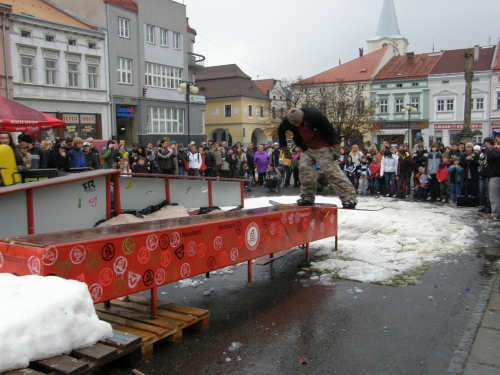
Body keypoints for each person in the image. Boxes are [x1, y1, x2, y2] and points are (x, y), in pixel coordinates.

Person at [277, 108, 357, 208]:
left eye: (299, 123)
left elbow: (330, 130)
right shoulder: (288, 120)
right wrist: (284, 149)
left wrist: (336, 147)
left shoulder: (315, 115)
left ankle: (349, 198)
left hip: (322, 146)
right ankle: (307, 197)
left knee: (332, 172)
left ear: (302, 117)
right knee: (305, 173)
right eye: (294, 124)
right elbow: (280, 132)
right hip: (306, 147)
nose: (297, 125)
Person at [485, 135, 500, 220]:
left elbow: (491, 156)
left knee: (494, 195)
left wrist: (487, 150)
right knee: (494, 195)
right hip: (493, 174)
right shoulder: (496, 149)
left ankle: (495, 214)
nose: (495, 141)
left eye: (497, 139)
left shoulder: (497, 150)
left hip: (496, 174)